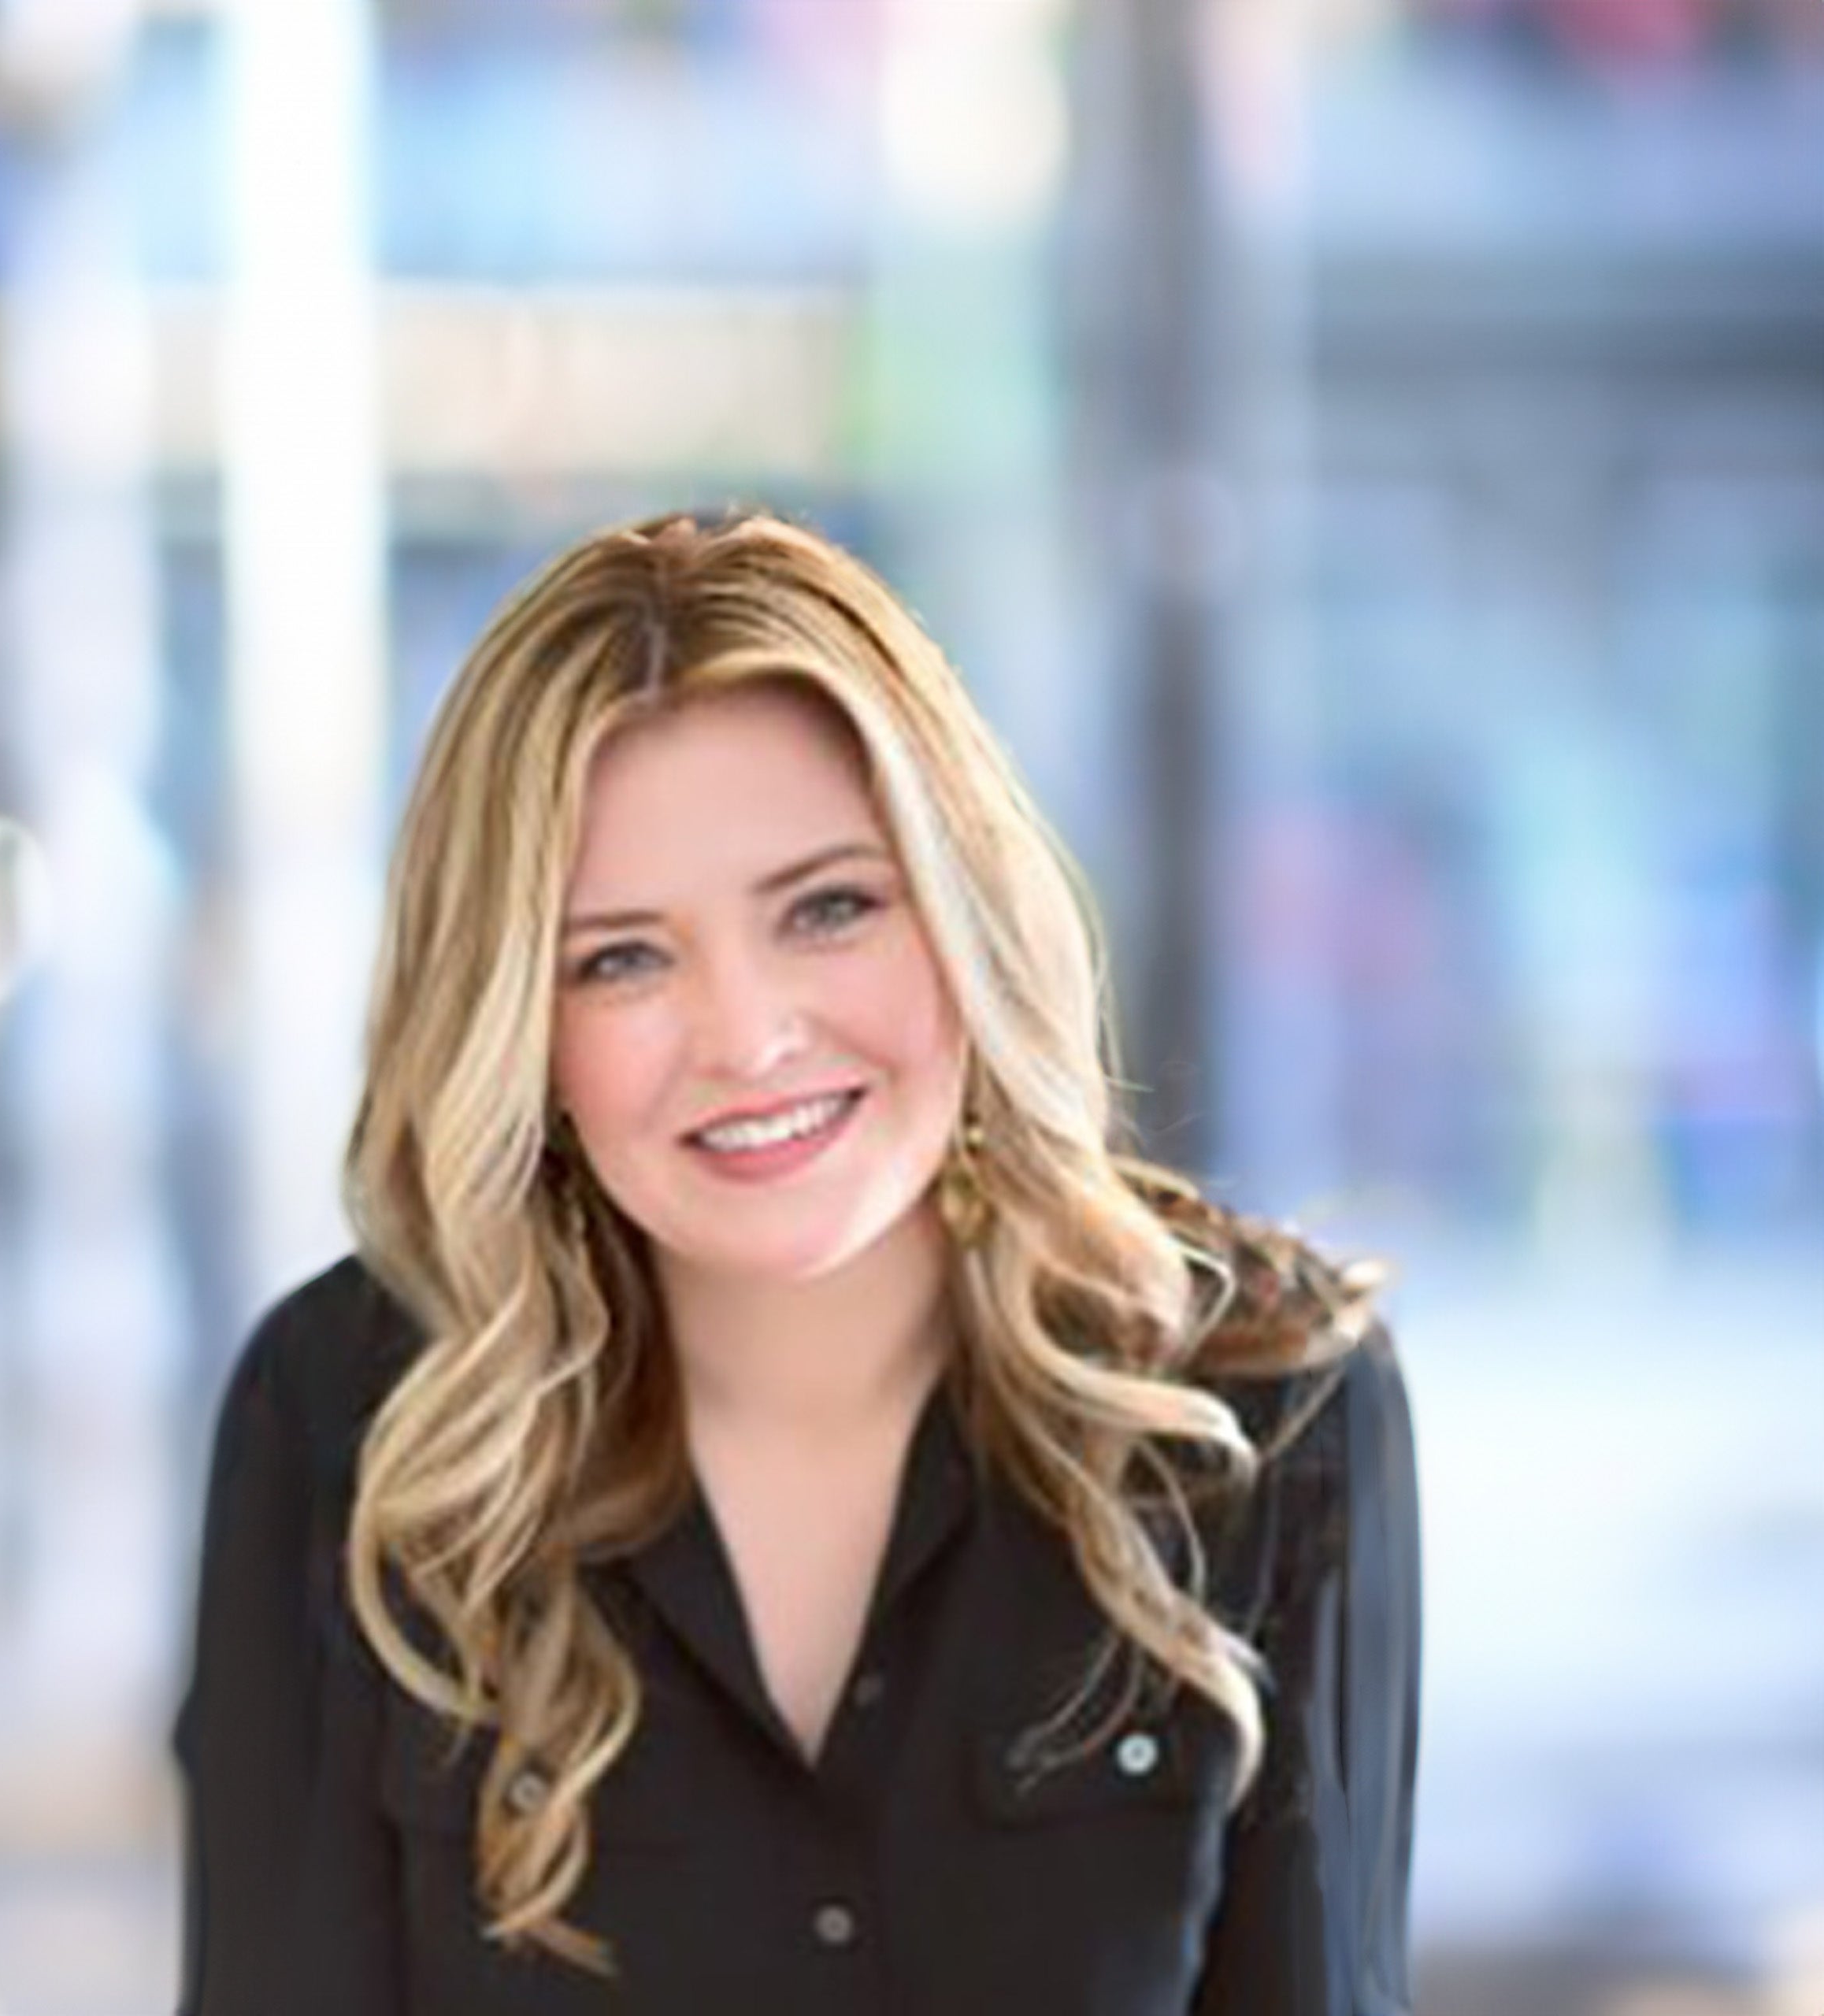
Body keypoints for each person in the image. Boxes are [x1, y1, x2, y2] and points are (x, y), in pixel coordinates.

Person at [173, 508, 1422, 2015]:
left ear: (965, 912)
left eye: (828, 909)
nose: (751, 1039)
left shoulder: (1268, 1406)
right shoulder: (348, 1421)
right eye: (620, 956)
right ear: (519, 1022)